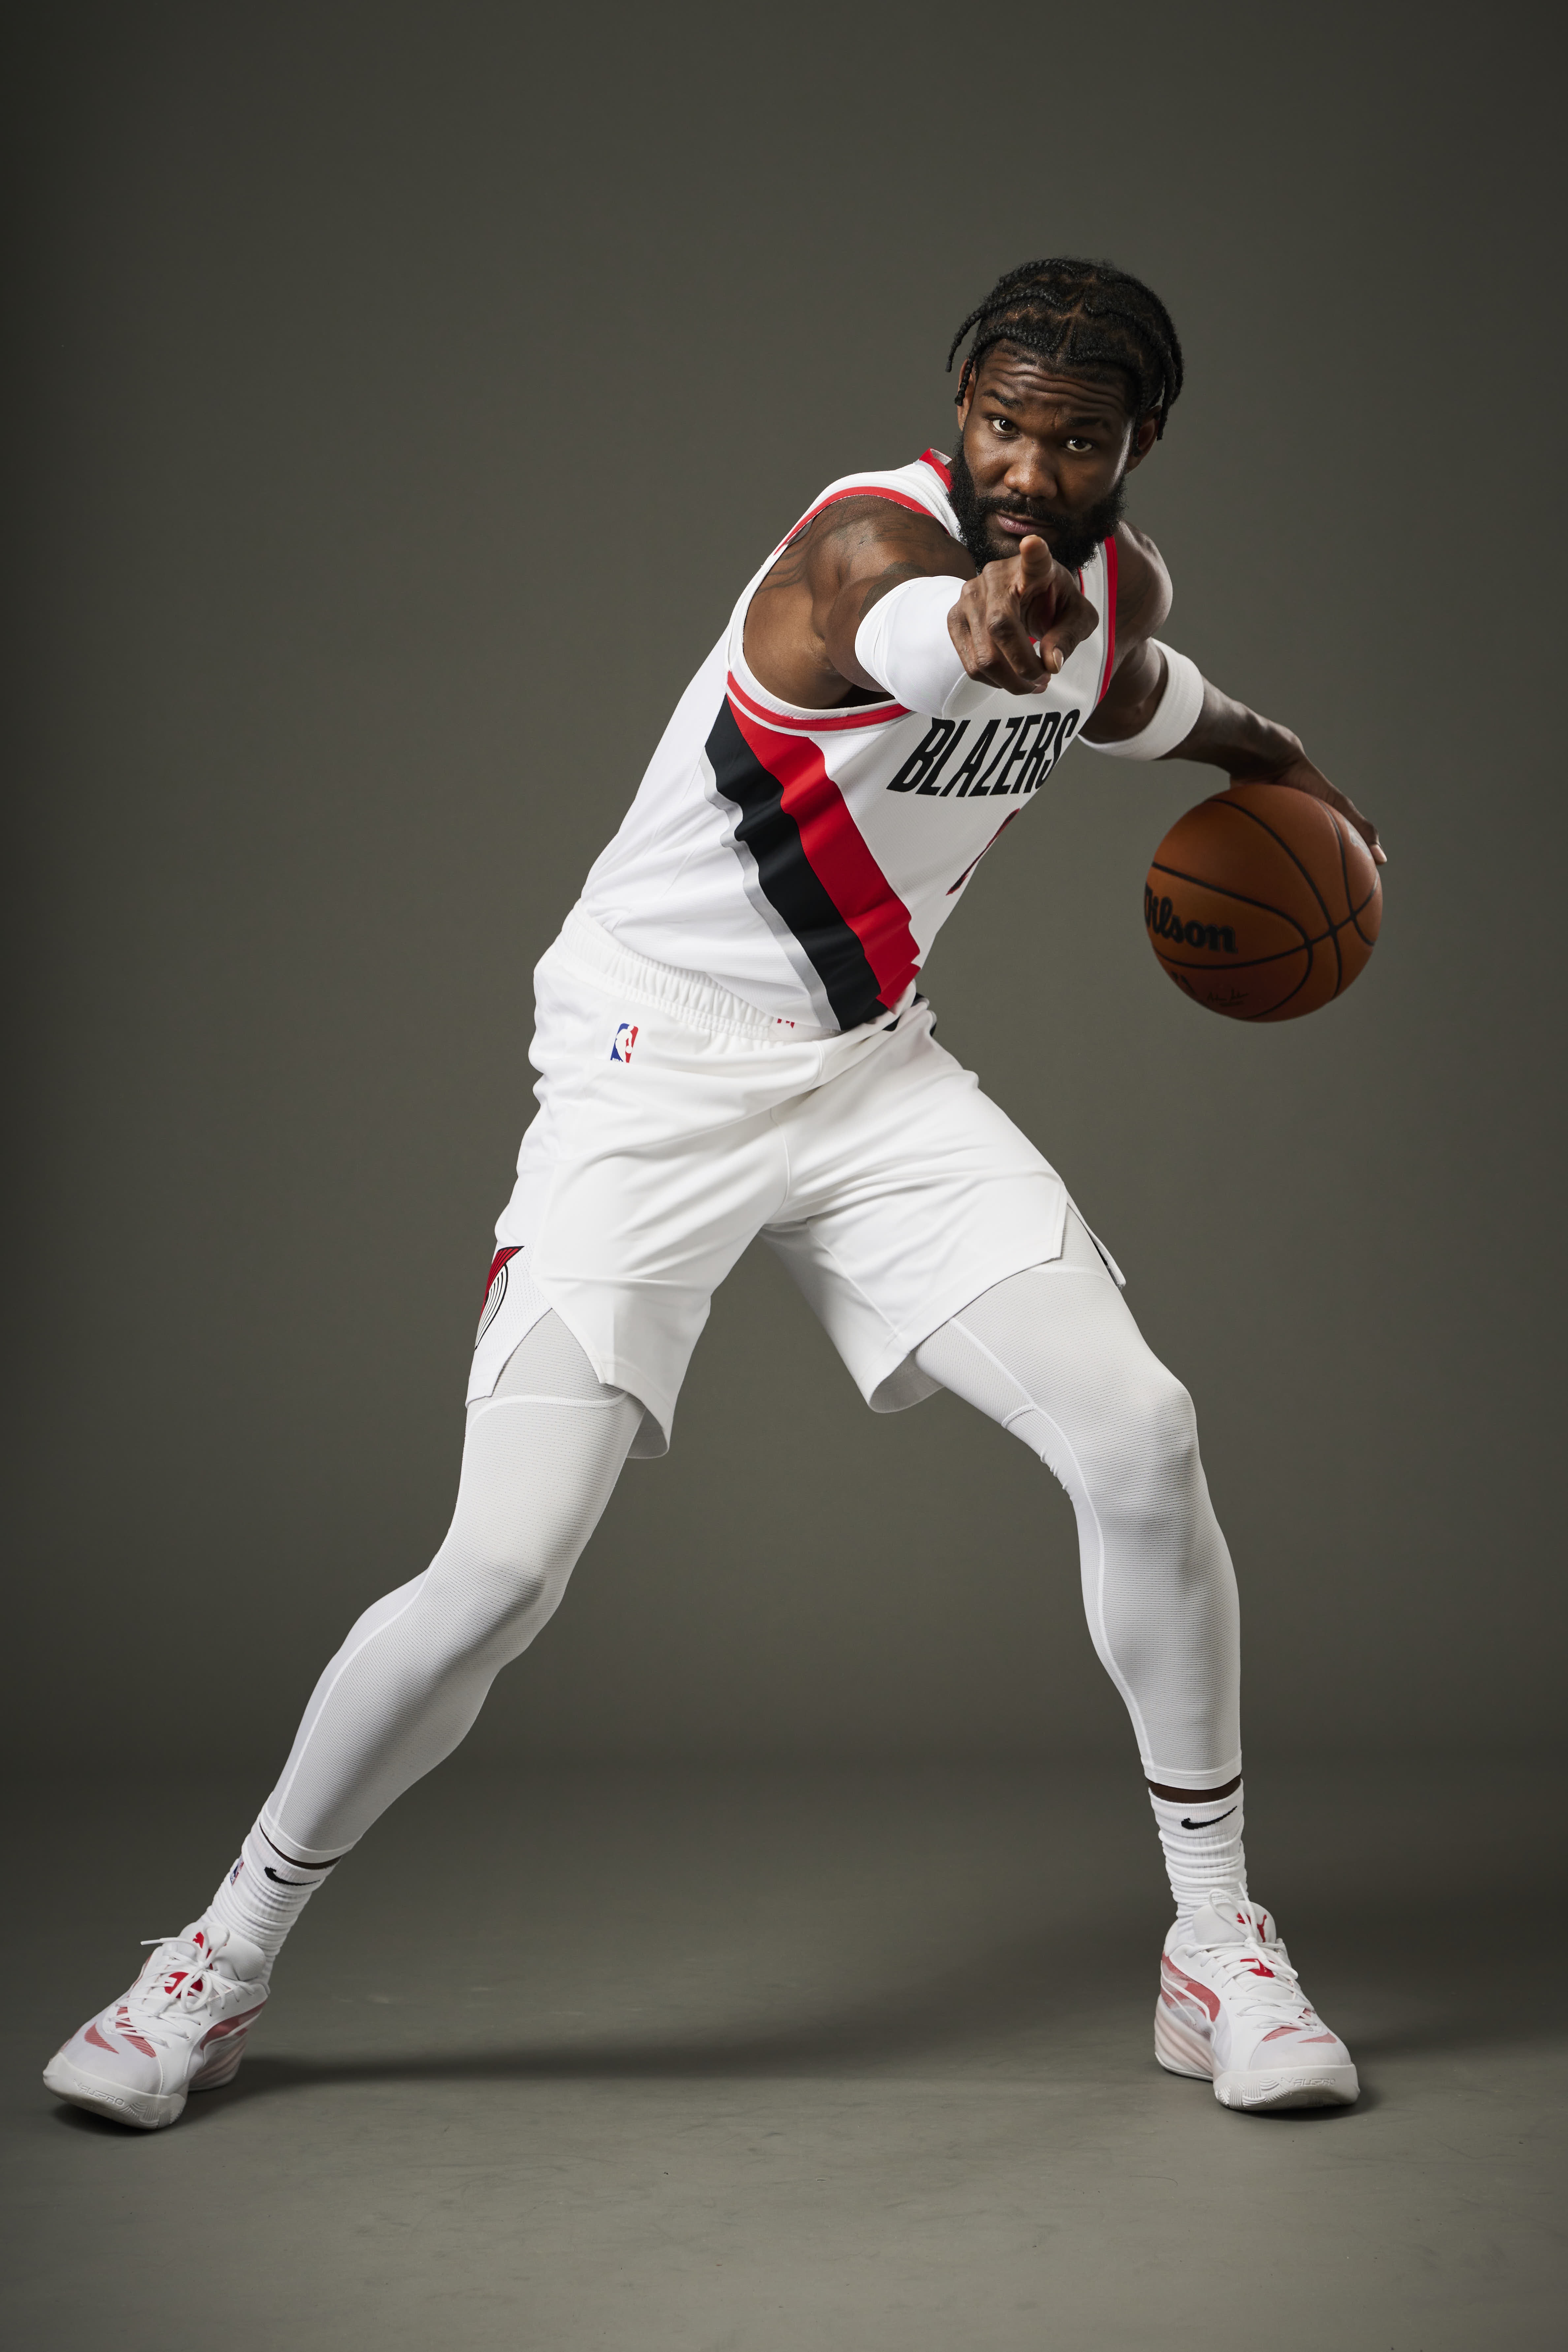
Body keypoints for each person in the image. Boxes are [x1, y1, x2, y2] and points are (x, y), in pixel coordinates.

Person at [45, 257, 1383, 2130]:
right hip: (647, 1071)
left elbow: (1144, 693)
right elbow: (932, 640)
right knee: (501, 1572)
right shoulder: (863, 554)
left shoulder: (1107, 599)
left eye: (1072, 439)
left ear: (1137, 443)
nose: (1025, 466)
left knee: (1142, 1434)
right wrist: (983, 628)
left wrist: (1293, 774)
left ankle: (1217, 1944)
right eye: (999, 423)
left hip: (870, 1078)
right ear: (958, 406)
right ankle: (214, 1959)